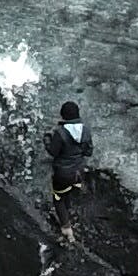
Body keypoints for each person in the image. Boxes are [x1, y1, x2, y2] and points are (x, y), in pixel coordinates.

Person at [45, 101, 92, 243]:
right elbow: (89, 152)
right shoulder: (85, 130)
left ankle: (66, 229)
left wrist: (47, 139)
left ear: (63, 116)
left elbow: (53, 152)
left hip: (62, 173)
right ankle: (67, 214)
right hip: (78, 172)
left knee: (58, 198)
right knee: (68, 193)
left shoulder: (60, 133)